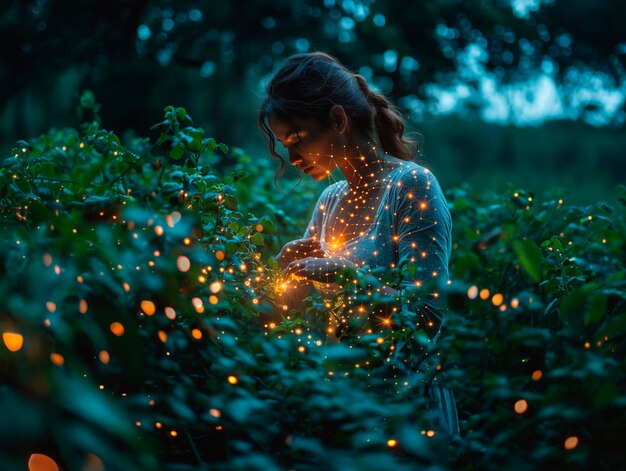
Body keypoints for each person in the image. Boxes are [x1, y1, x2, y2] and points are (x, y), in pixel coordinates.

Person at [258, 51, 459, 437]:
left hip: (409, 411)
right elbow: (300, 313)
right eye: (285, 144)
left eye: (298, 138)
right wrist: (281, 276)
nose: (292, 157)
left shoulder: (412, 187)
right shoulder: (331, 200)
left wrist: (349, 278)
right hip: (345, 404)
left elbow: (427, 317)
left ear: (337, 119)